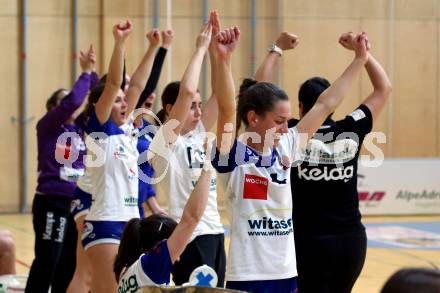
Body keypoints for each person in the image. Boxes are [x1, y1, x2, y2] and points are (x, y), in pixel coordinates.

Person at [211, 12, 370, 292]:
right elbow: (226, 108)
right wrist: (222, 59)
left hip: (287, 273)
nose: (287, 129)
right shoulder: (232, 156)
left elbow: (325, 103)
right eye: (279, 121)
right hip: (248, 276)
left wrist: (359, 60)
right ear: (253, 118)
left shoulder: (287, 144)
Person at [254, 31, 391, 293]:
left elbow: (259, 91)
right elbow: (384, 89)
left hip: (305, 242)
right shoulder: (352, 128)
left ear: (302, 107)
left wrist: (277, 49)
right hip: (349, 242)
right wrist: (362, 54)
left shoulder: (291, 134)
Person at [80, 21, 160, 293]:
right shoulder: (99, 130)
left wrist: (154, 47)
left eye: (125, 100)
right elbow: (115, 82)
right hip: (105, 223)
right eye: (116, 100)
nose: (124, 103)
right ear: (100, 106)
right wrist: (120, 42)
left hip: (131, 222)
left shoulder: (127, 129)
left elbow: (137, 84)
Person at [148, 12, 226, 286]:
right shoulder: (164, 143)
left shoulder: (199, 134)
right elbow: (186, 91)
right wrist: (200, 49)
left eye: (199, 105)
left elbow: (221, 94)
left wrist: (219, 54)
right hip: (190, 237)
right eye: (192, 106)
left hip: (215, 233)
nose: (198, 111)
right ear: (171, 110)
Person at [25, 46, 97, 293]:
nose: (72, 105)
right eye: (63, 101)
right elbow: (74, 101)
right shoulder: (48, 126)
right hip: (52, 202)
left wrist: (93, 73)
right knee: (48, 259)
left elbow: (98, 101)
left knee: (68, 262)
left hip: (75, 204)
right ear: (54, 108)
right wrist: (85, 74)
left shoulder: (78, 128)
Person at [114, 166, 214, 292]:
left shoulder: (128, 271)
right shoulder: (152, 265)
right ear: (160, 245)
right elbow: (191, 218)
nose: (179, 255)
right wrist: (208, 166)